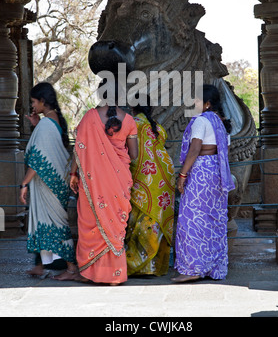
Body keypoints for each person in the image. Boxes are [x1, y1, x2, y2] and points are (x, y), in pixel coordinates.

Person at [69, 82, 138, 285]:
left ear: (100, 94)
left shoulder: (90, 117)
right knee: (114, 224)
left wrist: (73, 174)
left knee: (91, 225)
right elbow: (133, 155)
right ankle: (114, 274)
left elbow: (79, 149)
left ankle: (92, 273)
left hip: (93, 183)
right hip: (119, 182)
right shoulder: (129, 121)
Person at [172, 84, 235, 283]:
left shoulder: (201, 121)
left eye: (197, 100)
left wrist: (182, 175)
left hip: (201, 173)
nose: (194, 103)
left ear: (207, 104)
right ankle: (212, 267)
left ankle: (193, 268)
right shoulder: (220, 122)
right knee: (213, 220)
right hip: (218, 172)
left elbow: (194, 149)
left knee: (191, 220)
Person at [19, 82, 77, 279]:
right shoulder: (52, 122)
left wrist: (24, 183)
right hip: (56, 184)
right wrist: (36, 125)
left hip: (48, 184)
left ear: (43, 101)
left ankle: (71, 268)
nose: (32, 106)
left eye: (34, 102)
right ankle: (40, 266)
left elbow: (38, 160)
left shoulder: (46, 125)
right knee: (48, 221)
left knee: (57, 224)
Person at [125, 100, 175, 276]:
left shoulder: (132, 123)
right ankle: (154, 267)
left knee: (141, 219)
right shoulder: (157, 127)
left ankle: (138, 266)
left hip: (144, 177)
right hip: (163, 178)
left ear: (132, 107)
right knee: (155, 221)